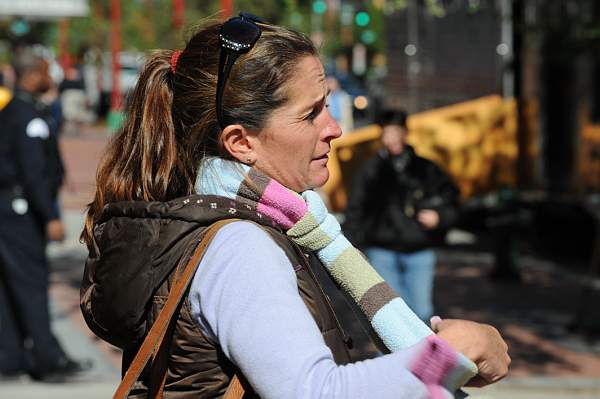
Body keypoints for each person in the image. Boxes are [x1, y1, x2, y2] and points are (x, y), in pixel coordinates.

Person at [80, 14, 509, 398]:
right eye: (312, 114)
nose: (335, 129)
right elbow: (315, 392)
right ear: (241, 142)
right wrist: (451, 353)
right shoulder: (239, 246)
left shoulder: (197, 214)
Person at [0, 50, 88, 380]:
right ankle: (47, 359)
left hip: (8, 209)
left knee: (8, 286)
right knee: (32, 283)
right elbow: (34, 172)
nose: (50, 77)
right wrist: (49, 214)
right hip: (22, 213)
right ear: (34, 75)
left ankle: (10, 356)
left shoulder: (10, 111)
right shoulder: (29, 118)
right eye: (45, 71)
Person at [343, 109, 460, 323]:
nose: (391, 139)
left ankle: (423, 356)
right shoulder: (371, 170)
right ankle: (393, 357)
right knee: (390, 314)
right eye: (386, 133)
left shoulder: (425, 168)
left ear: (405, 133)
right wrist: (352, 248)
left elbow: (452, 198)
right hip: (382, 251)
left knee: (422, 312)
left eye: (396, 132)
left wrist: (439, 217)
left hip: (419, 250)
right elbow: (355, 208)